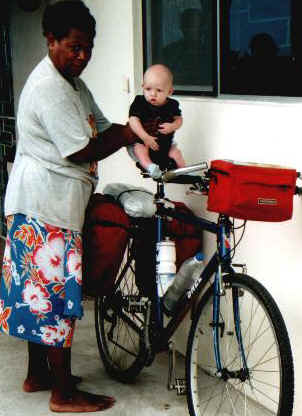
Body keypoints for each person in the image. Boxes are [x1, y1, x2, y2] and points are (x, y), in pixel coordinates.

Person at [0, 1, 137, 413]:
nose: (82, 56)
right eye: (74, 47)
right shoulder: (48, 88)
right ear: (51, 41)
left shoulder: (73, 85)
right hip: (45, 208)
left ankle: (37, 375)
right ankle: (62, 394)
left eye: (88, 48)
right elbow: (81, 149)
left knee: (35, 295)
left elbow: (103, 123)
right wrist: (129, 133)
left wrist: (138, 127)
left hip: (46, 205)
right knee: (54, 299)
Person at [127, 64, 185, 179]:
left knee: (176, 153)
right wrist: (145, 137)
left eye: (159, 90)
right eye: (148, 89)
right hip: (144, 142)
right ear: (143, 87)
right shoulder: (140, 102)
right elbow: (133, 120)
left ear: (169, 92)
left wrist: (173, 126)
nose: (153, 94)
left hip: (165, 145)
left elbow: (179, 120)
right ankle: (151, 167)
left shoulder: (172, 105)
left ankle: (185, 172)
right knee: (139, 150)